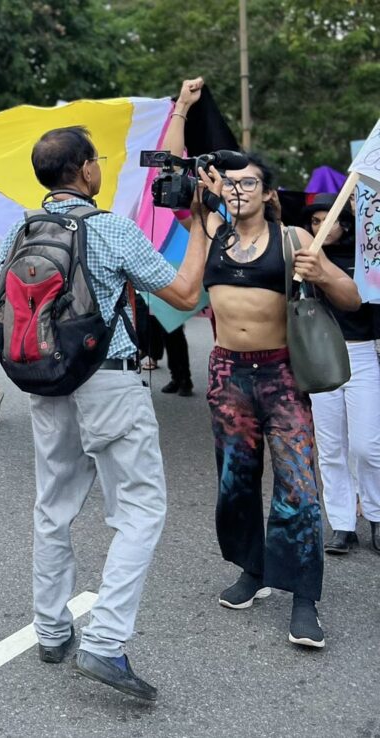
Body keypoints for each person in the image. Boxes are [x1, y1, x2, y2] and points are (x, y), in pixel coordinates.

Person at [0, 124, 213, 702]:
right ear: (83, 169)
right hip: (109, 384)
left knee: (53, 507)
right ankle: (104, 641)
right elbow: (183, 293)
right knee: (141, 509)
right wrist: (200, 227)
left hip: (46, 384)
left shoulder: (17, 232)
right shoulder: (109, 229)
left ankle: (53, 630)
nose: (99, 166)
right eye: (96, 159)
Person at [165, 77, 361, 649]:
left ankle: (304, 598)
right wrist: (183, 107)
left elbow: (349, 299)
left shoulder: (296, 236)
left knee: (298, 485)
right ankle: (253, 569)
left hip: (282, 375)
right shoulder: (212, 229)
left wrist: (322, 272)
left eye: (249, 182)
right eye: (231, 183)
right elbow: (173, 171)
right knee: (235, 482)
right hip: (228, 374)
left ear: (268, 193)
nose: (238, 190)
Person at [302, 194, 380, 555]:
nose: (321, 227)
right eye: (315, 222)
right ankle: (342, 525)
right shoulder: (302, 262)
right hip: (320, 357)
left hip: (362, 354)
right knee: (330, 448)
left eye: (328, 219)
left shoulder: (367, 260)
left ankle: (377, 516)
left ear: (345, 223)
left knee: (367, 447)